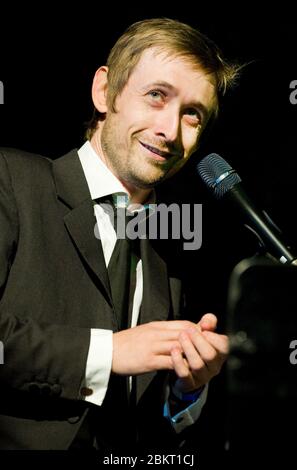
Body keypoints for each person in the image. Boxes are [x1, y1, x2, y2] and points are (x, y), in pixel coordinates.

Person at [0, 18, 238, 451]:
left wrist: (188, 389)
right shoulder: (12, 181)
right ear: (104, 92)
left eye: (192, 115)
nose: (169, 130)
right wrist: (108, 353)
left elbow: (150, 425)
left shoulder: (172, 247)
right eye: (156, 96)